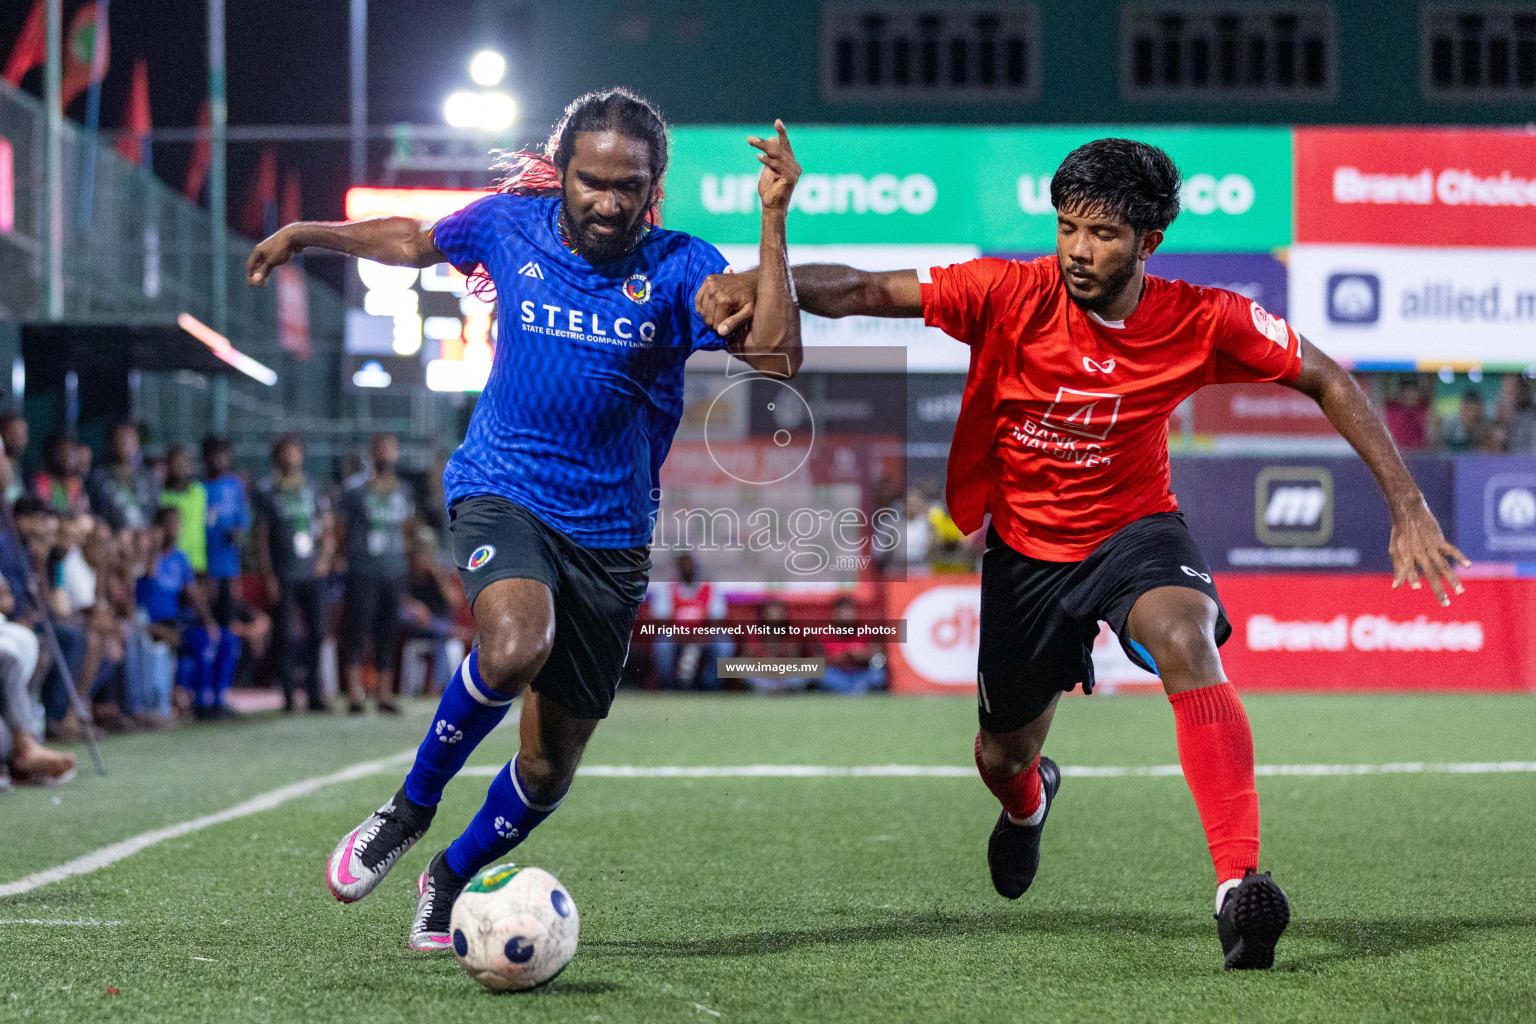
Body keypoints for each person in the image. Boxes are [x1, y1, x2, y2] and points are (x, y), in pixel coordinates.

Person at [697, 137, 1468, 970]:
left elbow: (1326, 375)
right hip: (1026, 553)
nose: (1077, 250)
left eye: (1102, 234)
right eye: (1067, 227)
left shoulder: (1203, 318)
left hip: (1135, 532)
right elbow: (858, 289)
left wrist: (1408, 504)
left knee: (1185, 637)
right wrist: (758, 273)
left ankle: (1239, 888)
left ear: (1149, 242)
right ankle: (1029, 803)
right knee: (1004, 756)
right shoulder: (1007, 290)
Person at [247, 88, 802, 950]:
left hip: (612, 538)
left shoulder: (684, 265)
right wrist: (306, 234)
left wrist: (774, 221)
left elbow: (775, 354)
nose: (609, 203)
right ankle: (408, 810)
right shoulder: (511, 226)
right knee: (512, 646)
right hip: (503, 488)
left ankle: (449, 878)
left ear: (653, 187)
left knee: (546, 772)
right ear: (564, 171)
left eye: (630, 187)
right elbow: (413, 239)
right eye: (592, 182)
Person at [335, 433, 414, 715]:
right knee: (358, 630)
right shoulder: (355, 489)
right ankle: (355, 694)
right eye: (381, 449)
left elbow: (407, 529)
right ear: (371, 452)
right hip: (363, 569)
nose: (386, 455)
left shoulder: (403, 490)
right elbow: (341, 529)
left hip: (393, 570)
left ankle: (384, 694)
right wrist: (345, 558)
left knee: (387, 631)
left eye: (391, 449)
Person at [254, 435, 332, 713]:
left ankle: (314, 692)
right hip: (284, 572)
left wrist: (325, 556)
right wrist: (269, 575)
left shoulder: (312, 487)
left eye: (295, 452)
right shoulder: (267, 491)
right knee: (284, 635)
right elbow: (261, 536)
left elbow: (326, 525)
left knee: (317, 632)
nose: (291, 457)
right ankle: (288, 694)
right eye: (285, 452)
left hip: (311, 572)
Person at [647, 551, 731, 690]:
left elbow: (717, 619)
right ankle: (670, 686)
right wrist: (681, 636)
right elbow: (661, 620)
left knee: (724, 645)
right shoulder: (667, 588)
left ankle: (710, 685)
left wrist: (703, 636)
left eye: (690, 564)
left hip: (704, 636)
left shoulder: (710, 588)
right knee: (662, 644)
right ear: (677, 567)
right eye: (683, 564)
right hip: (675, 635)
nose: (687, 567)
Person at [202, 437, 251, 624]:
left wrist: (238, 533)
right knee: (210, 616)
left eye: (223, 455)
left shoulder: (235, 486)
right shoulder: (200, 489)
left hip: (230, 566)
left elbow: (244, 520)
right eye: (214, 455)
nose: (219, 460)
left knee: (231, 617)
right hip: (208, 565)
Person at [86, 422, 160, 531]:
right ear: (111, 442)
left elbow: (156, 511)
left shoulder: (150, 477)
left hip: (145, 540)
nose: (126, 443)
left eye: (130, 438)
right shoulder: (98, 477)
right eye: (120, 438)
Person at [819, 595, 886, 695]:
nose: (847, 615)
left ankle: (854, 690)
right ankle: (852, 691)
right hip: (837, 675)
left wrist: (862, 655)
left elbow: (879, 657)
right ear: (835, 613)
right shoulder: (825, 633)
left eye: (849, 611)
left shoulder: (865, 630)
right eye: (843, 612)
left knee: (878, 673)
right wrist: (845, 655)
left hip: (861, 674)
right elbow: (821, 661)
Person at [159, 445, 208, 574]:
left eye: (184, 462)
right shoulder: (163, 497)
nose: (181, 466)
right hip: (173, 564)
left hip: (198, 562)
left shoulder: (200, 492)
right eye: (176, 462)